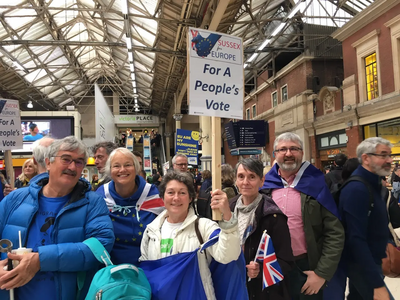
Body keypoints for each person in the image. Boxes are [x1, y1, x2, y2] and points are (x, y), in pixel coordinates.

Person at [0, 136, 114, 300]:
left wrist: (40, 260)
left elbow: (101, 246)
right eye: (66, 159)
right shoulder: (15, 199)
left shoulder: (92, 203)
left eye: (79, 161)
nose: (72, 167)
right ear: (48, 162)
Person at [262, 132, 344, 300]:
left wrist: (321, 274)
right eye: (282, 149)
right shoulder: (265, 188)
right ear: (275, 154)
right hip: (271, 265)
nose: (288, 153)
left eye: (294, 149)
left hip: (305, 267)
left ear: (302, 153)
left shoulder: (318, 184)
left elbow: (334, 233)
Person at [139, 170, 241, 299]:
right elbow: (147, 275)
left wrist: (227, 216)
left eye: (182, 193)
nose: (176, 198)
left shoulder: (204, 227)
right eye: (170, 192)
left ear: (191, 197)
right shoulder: (150, 232)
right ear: (162, 197)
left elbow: (228, 255)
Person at [338, 137, 395, 300]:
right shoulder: (357, 189)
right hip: (362, 266)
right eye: (383, 155)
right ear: (366, 158)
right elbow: (355, 239)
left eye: (389, 155)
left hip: (370, 262)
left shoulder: (372, 184)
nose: (389, 160)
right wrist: (376, 283)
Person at [230, 158, 293, 299]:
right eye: (241, 177)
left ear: (261, 181)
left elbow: (286, 260)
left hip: (261, 292)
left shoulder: (272, 215)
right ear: (235, 181)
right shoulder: (229, 209)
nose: (245, 182)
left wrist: (261, 268)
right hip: (234, 283)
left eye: (252, 177)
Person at [96, 148, 164, 266]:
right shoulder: (100, 196)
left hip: (147, 268)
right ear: (110, 170)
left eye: (128, 165)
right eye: (116, 166)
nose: (122, 170)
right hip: (109, 271)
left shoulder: (153, 195)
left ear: (136, 168)